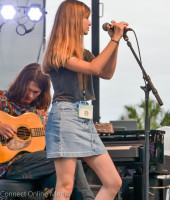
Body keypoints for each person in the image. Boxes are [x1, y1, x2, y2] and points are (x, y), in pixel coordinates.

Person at [42, 1, 125, 199]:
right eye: (86, 18)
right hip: (66, 116)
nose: (90, 23)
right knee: (65, 186)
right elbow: (94, 69)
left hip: (82, 118)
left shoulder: (84, 54)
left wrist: (116, 41)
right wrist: (114, 41)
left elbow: (106, 72)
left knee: (113, 182)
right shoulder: (58, 51)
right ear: (73, 21)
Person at [0, 63, 95, 200]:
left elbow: (46, 145)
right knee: (68, 159)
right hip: (7, 164)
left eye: (35, 92)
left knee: (66, 174)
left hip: (34, 165)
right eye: (28, 90)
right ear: (20, 84)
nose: (30, 95)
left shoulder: (40, 113)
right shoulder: (2, 98)